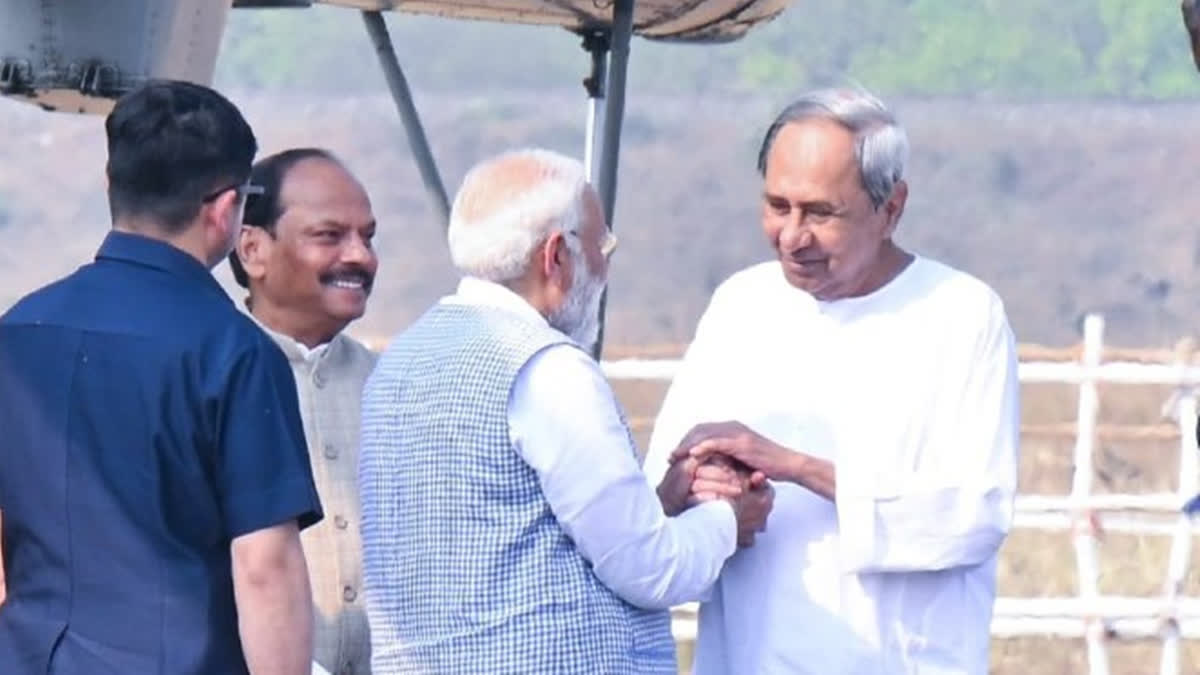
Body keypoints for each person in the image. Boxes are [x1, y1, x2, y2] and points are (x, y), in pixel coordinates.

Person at [643, 87, 1021, 674]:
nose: (793, 236)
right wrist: (699, 486)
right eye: (777, 206)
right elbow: (659, 490)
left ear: (891, 208)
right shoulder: (741, 303)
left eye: (820, 213)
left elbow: (975, 514)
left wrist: (796, 466)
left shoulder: (962, 314)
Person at [359, 148, 773, 674]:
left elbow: (500, 536)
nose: (604, 265)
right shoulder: (548, 369)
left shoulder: (399, 362)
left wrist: (660, 507)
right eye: (603, 246)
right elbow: (649, 568)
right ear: (556, 255)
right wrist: (728, 518)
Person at [0, 80, 321, 675]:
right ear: (225, 210)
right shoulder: (236, 354)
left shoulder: (16, 331)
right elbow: (264, 566)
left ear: (110, 185)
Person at [230, 147, 379, 675]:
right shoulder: (207, 381)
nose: (360, 256)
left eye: (368, 236)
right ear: (252, 249)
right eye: (330, 236)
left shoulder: (391, 386)